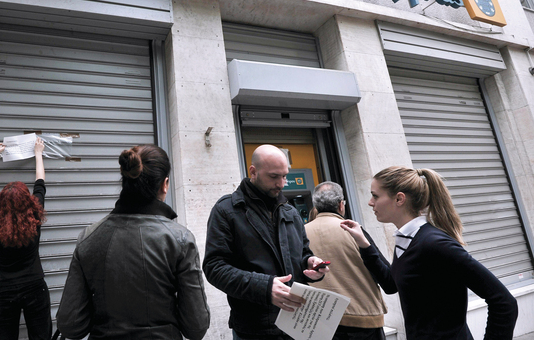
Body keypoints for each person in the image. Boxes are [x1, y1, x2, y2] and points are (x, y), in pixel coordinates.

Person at [340, 166, 518, 340]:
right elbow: (391, 284)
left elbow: (504, 303)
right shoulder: (407, 239)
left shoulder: (434, 244)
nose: (370, 202)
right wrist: (364, 244)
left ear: (399, 199)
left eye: (375, 196)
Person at [56, 144, 210, 340]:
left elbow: (70, 325)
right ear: (165, 184)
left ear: (125, 179)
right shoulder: (180, 240)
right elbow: (196, 327)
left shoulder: (88, 237)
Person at [203, 144, 330, 340]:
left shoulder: (290, 211)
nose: (281, 184)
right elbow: (214, 267)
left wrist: (310, 263)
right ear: (253, 172)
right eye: (274, 176)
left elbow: (304, 252)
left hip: (296, 324)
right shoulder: (226, 210)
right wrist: (264, 287)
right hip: (253, 330)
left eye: (284, 176)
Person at [0, 137, 52, 340]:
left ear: (0, 202)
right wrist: (38, 153)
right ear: (28, 201)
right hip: (34, 287)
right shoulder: (34, 215)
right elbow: (40, 184)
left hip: (5, 292)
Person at [305, 181, 389, 340]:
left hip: (317, 323)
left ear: (315, 206)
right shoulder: (354, 232)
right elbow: (389, 281)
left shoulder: (300, 234)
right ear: (341, 205)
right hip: (362, 321)